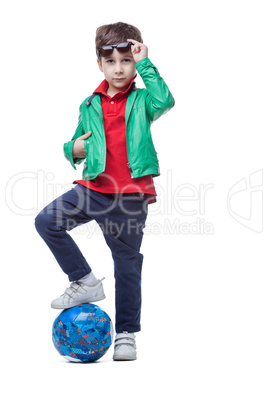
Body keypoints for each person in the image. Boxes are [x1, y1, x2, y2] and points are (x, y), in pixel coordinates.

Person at [35, 21, 175, 361]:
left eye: (126, 60)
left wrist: (145, 63)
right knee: (47, 221)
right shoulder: (90, 104)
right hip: (94, 187)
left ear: (134, 62)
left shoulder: (143, 100)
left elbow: (165, 100)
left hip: (130, 194)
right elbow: (77, 141)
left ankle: (126, 334)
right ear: (99, 63)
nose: (119, 68)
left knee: (126, 264)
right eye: (110, 61)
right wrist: (73, 150)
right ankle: (84, 280)